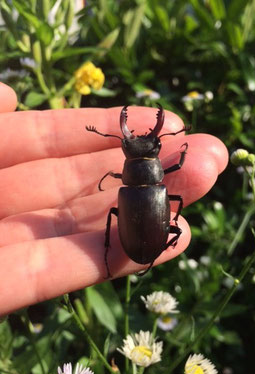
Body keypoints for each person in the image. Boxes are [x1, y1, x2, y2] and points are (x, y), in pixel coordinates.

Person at [0, 82, 228, 315]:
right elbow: (178, 172)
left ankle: (123, 253)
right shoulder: (159, 191)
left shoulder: (126, 190)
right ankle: (142, 256)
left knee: (117, 214)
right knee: (177, 229)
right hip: (146, 235)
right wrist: (183, 154)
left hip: (139, 238)